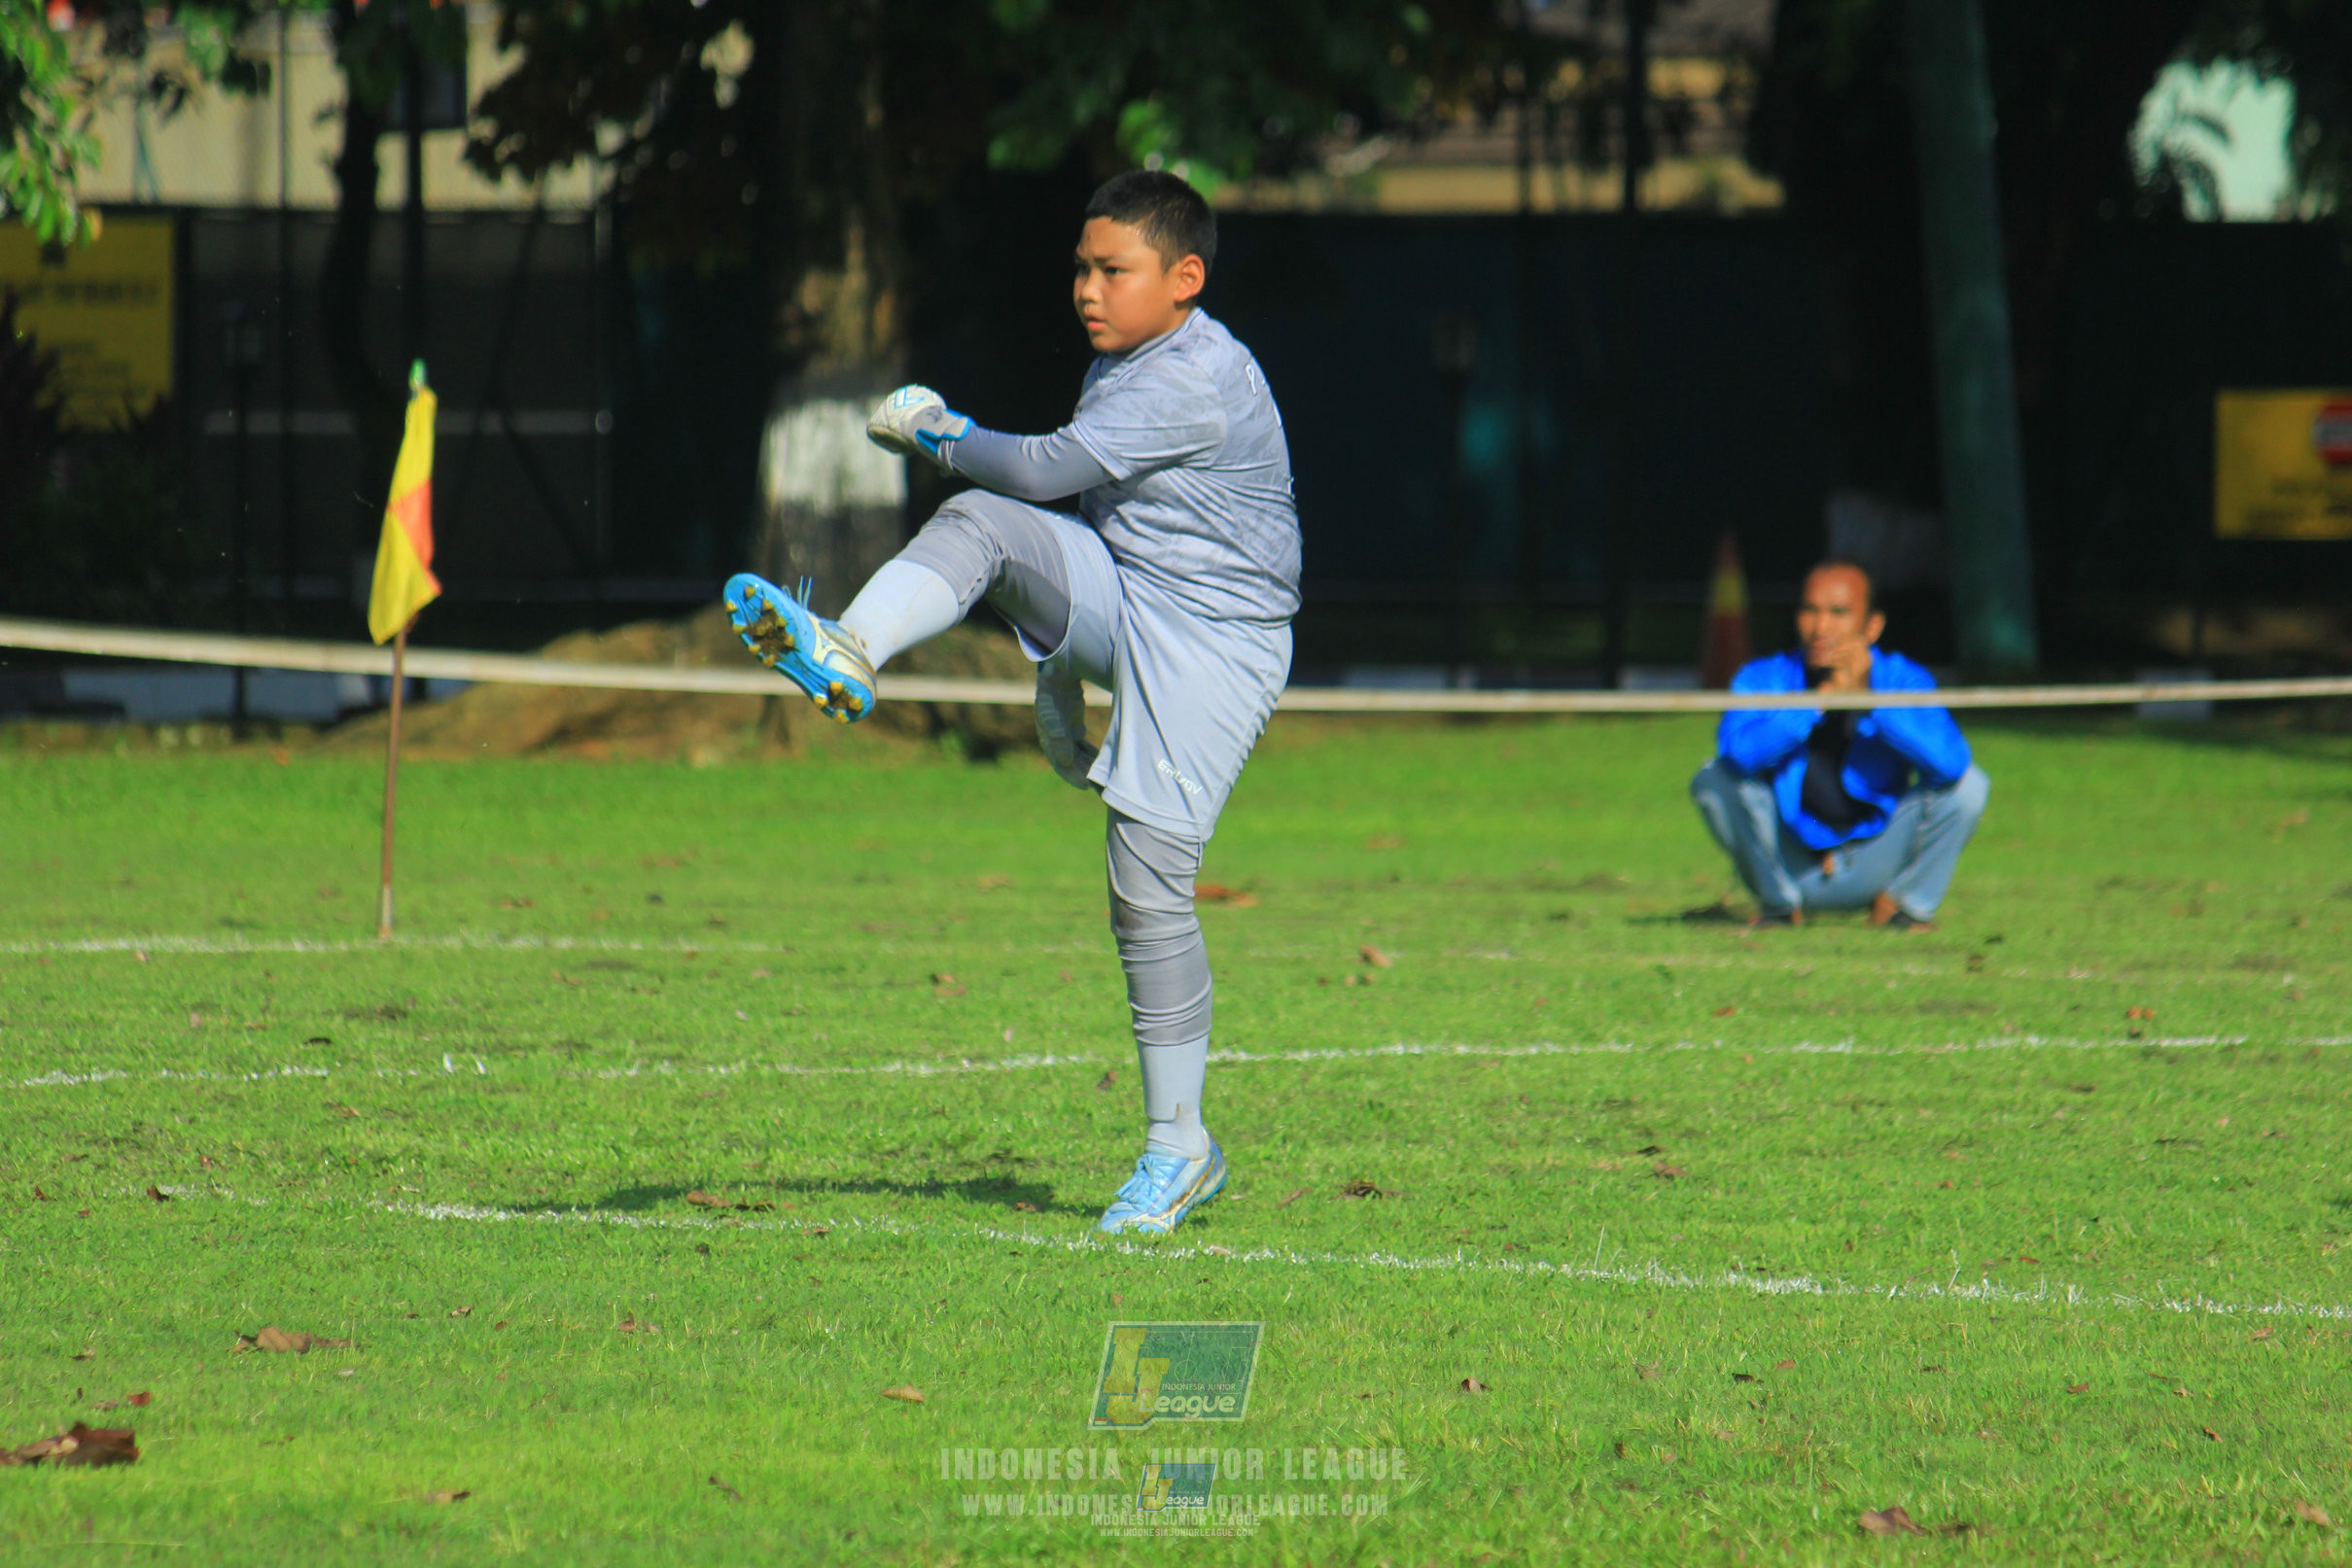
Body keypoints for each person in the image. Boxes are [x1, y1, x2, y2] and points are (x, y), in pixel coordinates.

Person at [722, 170, 1297, 1236]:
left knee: (1145, 889)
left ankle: (1181, 1147)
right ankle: (850, 646)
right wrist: (1062, 676)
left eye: (1111, 270)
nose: (1086, 288)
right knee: (983, 523)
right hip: (1140, 604)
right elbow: (1081, 525)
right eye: (1080, 266)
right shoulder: (1126, 362)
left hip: (1220, 646)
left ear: (1184, 279)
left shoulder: (1194, 375)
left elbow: (1042, 469)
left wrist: (937, 428)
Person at [1689, 561, 1988, 931]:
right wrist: (1815, 703)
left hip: (1875, 858)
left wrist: (1871, 701)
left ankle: (1904, 907)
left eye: (1839, 613)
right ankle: (1778, 908)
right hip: (1789, 863)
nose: (1820, 627)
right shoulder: (1763, 677)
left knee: (1969, 787)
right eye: (1809, 611)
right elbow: (1738, 756)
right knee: (1712, 779)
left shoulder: (1903, 678)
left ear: (1873, 626)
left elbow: (1951, 764)